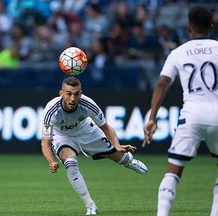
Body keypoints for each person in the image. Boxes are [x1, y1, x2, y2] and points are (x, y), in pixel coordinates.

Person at [142, 5, 218, 216]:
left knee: (174, 171)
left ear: (189, 28)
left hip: (190, 116)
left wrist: (152, 117)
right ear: (212, 27)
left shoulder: (178, 52)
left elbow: (162, 83)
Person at [41, 76, 148, 215]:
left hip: (86, 131)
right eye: (69, 94)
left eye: (76, 94)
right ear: (61, 93)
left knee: (120, 157)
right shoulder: (51, 111)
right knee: (70, 163)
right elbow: (45, 143)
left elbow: (106, 127)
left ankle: (130, 162)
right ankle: (90, 205)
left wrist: (117, 145)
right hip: (63, 136)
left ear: (81, 93)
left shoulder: (88, 104)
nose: (73, 98)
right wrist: (51, 162)